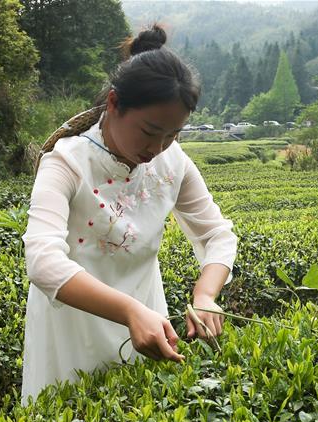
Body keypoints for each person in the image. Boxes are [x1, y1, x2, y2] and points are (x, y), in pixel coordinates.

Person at [21, 26, 238, 402]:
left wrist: (205, 294)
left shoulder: (174, 162)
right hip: (74, 325)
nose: (158, 147)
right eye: (150, 131)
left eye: (172, 134)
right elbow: (42, 262)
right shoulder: (67, 163)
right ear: (114, 103)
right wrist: (128, 311)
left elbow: (217, 235)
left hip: (148, 320)